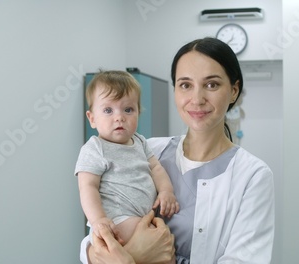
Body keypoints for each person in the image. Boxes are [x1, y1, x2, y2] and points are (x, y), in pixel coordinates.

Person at [84, 37, 275, 264]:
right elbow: (92, 242)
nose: (197, 99)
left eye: (212, 84)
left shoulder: (253, 176)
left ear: (234, 91)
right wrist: (132, 255)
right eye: (185, 85)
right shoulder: (146, 151)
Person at [74, 70, 180, 262]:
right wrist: (98, 221)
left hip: (143, 218)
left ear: (138, 112)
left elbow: (156, 169)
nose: (119, 117)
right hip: (117, 220)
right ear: (92, 118)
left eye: (128, 110)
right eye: (108, 110)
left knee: (165, 252)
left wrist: (166, 191)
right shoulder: (95, 148)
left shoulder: (140, 142)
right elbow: (87, 186)